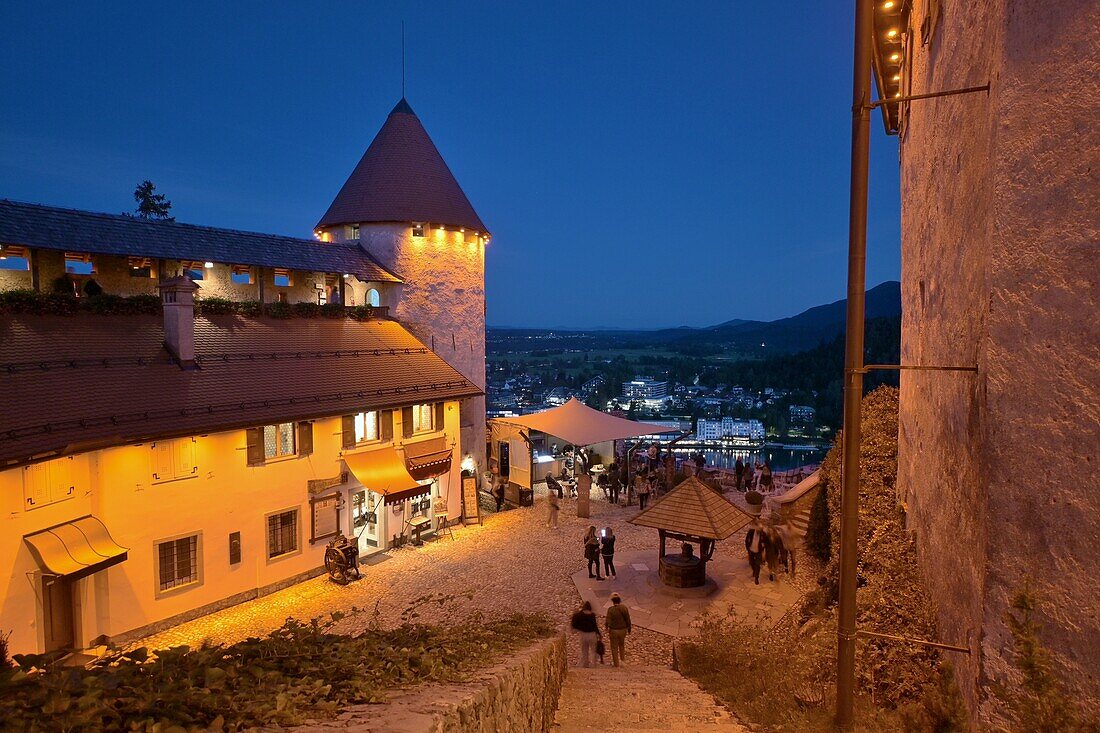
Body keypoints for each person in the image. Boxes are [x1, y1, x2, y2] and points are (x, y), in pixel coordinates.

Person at [605, 592, 632, 667]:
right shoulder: (624, 608)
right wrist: (629, 628)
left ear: (613, 601)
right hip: (623, 630)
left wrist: (606, 627)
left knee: (614, 647)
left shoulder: (610, 610)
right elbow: (628, 619)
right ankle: (623, 661)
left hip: (614, 630)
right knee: (621, 645)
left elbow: (608, 621)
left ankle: (616, 664)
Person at [570, 601, 600, 668]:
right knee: (593, 650)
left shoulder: (578, 615)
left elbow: (574, 624)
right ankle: (593, 664)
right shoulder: (592, 615)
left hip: (583, 634)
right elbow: (595, 626)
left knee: (584, 650)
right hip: (592, 634)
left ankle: (585, 663)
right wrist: (598, 634)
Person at [745, 519, 769, 584]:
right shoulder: (751, 532)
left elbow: (766, 542)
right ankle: (754, 571)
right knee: (751, 562)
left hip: (758, 551)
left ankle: (756, 577)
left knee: (757, 564)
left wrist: (763, 549)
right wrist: (747, 548)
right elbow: (747, 539)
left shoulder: (763, 534)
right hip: (751, 550)